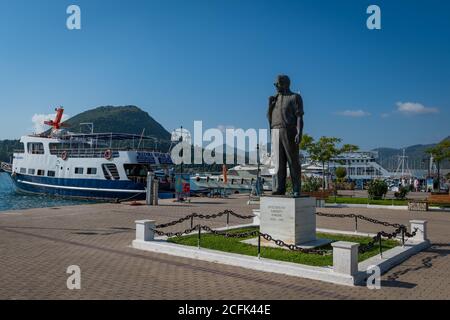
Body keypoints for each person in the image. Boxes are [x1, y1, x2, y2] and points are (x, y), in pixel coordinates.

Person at [267, 75, 304, 197]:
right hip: (276, 131)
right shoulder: (275, 99)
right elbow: (269, 118)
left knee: (293, 162)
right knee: (279, 163)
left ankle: (296, 188)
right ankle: (280, 187)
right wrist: (270, 105)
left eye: (277, 84)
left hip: (289, 131)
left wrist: (299, 132)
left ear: (285, 84)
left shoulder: (295, 97)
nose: (275, 86)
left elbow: (299, 116)